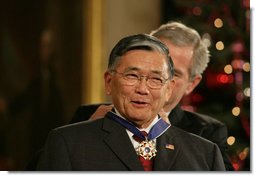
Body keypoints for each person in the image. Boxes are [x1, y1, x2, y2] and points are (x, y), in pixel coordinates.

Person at [36, 34, 225, 171]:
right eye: (132, 76)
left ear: (169, 89)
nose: (142, 89)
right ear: (109, 82)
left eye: (155, 79)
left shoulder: (205, 154)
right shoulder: (69, 144)